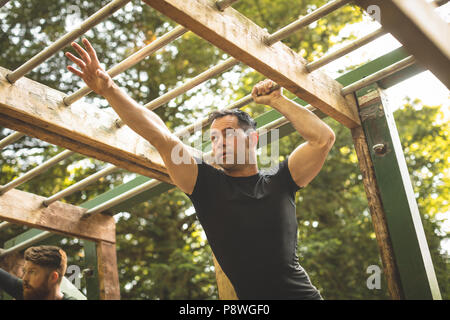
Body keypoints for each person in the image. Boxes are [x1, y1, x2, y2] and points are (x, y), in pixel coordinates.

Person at [65, 38, 336, 300]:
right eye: (214, 138)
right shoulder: (206, 184)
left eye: (228, 134)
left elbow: (323, 138)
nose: (219, 143)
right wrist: (109, 88)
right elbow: (161, 136)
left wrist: (277, 100)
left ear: (253, 139)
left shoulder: (280, 181)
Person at [0, 245, 76, 300]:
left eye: (32, 272)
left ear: (53, 277)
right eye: (25, 271)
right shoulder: (31, 291)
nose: (24, 278)